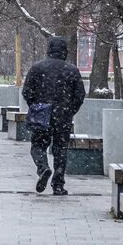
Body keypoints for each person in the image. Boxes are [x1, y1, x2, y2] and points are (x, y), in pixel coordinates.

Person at [22, 36, 86, 196]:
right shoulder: (71, 70)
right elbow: (80, 95)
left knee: (37, 146)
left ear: (49, 49)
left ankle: (43, 167)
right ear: (65, 51)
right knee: (60, 150)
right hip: (63, 115)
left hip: (42, 114)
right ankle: (58, 184)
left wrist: (36, 107)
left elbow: (27, 91)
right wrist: (70, 110)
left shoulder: (37, 68)